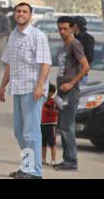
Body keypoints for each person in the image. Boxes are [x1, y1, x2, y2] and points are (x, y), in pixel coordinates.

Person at [0, 2, 51, 179]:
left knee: (31, 132)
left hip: (32, 90)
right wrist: (2, 85)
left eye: (25, 11)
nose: (21, 14)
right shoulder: (13, 35)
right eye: (18, 11)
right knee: (19, 132)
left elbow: (46, 63)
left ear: (30, 15)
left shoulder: (38, 36)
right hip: (17, 88)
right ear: (14, 14)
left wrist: (40, 86)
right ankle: (27, 167)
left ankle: (34, 172)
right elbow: (9, 64)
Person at [53, 16, 90, 171]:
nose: (62, 31)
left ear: (72, 28)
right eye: (60, 28)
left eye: (65, 29)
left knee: (67, 127)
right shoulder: (64, 45)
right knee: (63, 127)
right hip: (62, 92)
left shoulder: (75, 44)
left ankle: (72, 161)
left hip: (71, 92)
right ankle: (67, 159)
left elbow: (85, 67)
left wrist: (71, 83)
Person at [72, 16, 95, 86]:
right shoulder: (71, 37)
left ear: (75, 25)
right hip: (68, 74)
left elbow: (89, 57)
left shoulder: (88, 38)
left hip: (80, 75)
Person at [41, 84, 58, 167]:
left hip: (50, 125)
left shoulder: (53, 102)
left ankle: (53, 160)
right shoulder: (42, 100)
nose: (46, 93)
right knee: (43, 143)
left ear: (52, 92)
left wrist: (48, 109)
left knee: (52, 143)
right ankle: (43, 159)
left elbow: (54, 112)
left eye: (48, 92)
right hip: (42, 124)